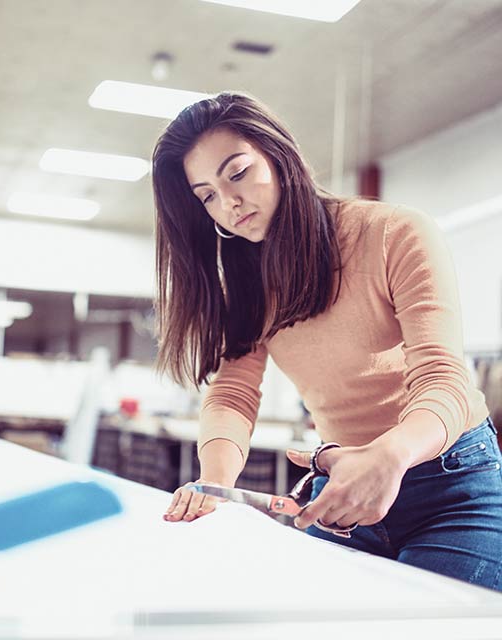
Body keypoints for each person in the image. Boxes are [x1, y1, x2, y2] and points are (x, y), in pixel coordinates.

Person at [151, 91, 502, 590]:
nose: (227, 203)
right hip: (341, 494)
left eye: (237, 172)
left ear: (278, 154)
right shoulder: (246, 284)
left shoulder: (394, 233)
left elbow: (442, 377)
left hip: (448, 485)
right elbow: (232, 393)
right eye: (206, 195)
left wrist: (391, 455)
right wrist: (217, 483)